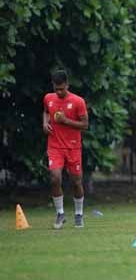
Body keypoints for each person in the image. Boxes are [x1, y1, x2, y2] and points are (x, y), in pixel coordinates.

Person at [43, 70, 89, 229]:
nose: (59, 92)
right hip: (55, 146)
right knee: (55, 178)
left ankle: (78, 214)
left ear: (67, 85)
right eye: (56, 88)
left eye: (62, 88)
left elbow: (85, 125)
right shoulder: (48, 98)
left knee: (76, 182)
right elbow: (46, 111)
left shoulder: (78, 102)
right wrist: (45, 122)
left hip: (73, 147)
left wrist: (65, 121)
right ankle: (60, 213)